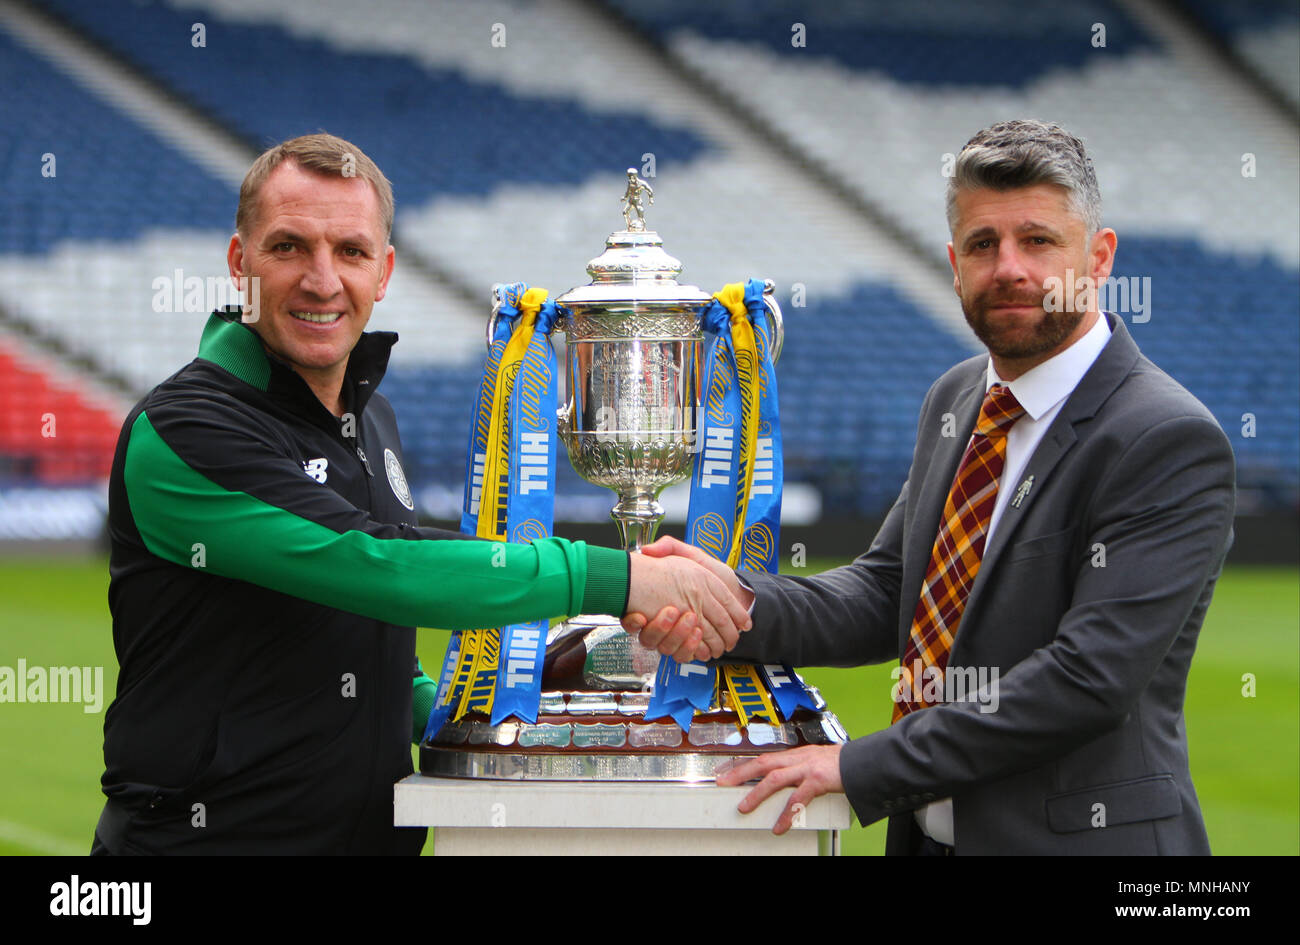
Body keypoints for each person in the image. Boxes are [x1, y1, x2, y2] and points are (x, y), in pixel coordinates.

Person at [94, 133, 750, 855]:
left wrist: (509, 696)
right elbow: (375, 563)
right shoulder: (184, 428)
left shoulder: (370, 417)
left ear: (384, 272)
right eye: (288, 248)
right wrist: (621, 578)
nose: (321, 279)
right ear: (237, 262)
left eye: (350, 251)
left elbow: (368, 655)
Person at [627, 120, 1236, 855]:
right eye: (984, 245)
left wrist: (861, 766)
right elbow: (889, 593)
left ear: (1098, 258)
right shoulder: (956, 398)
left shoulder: (1163, 437)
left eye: (1038, 241)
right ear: (954, 264)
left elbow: (1087, 678)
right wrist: (732, 602)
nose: (1008, 267)